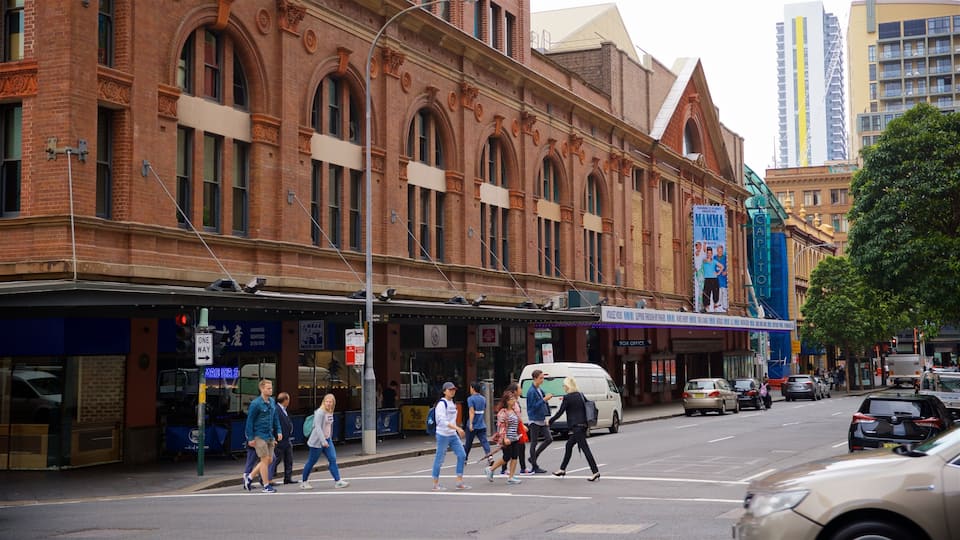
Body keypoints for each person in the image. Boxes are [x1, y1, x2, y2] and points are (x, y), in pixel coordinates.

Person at [549, 376, 600, 482]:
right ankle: (562, 469)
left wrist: (550, 421)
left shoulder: (568, 397)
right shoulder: (580, 395)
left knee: (585, 449)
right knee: (569, 445)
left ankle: (595, 471)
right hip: (583, 425)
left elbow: (560, 412)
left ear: (568, 386)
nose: (563, 387)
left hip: (576, 427)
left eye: (564, 385)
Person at [300, 393, 349, 489]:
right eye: (327, 401)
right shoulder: (320, 412)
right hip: (317, 441)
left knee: (332, 458)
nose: (328, 403)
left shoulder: (330, 412)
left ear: (333, 403)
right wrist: (323, 441)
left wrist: (329, 438)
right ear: (323, 402)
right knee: (311, 461)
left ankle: (338, 481)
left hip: (327, 439)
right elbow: (318, 427)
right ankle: (304, 481)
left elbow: (329, 426)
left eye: (330, 402)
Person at [244, 379, 283, 493]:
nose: (270, 390)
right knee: (265, 459)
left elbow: (275, 417)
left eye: (271, 388)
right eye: (268, 388)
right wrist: (250, 438)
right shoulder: (255, 404)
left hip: (269, 435)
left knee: (270, 459)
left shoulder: (272, 401)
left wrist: (279, 431)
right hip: (259, 435)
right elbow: (250, 421)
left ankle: (250, 477)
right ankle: (266, 485)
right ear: (261, 389)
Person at [431, 382, 469, 491]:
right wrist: (457, 428)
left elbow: (452, 420)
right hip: (443, 434)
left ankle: (459, 481)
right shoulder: (441, 404)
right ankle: (435, 484)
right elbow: (442, 421)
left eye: (453, 390)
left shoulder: (452, 403)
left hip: (452, 434)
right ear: (444, 391)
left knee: (462, 455)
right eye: (450, 390)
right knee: (439, 459)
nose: (452, 392)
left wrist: (456, 428)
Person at [484, 391, 522, 485]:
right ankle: (491, 469)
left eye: (514, 398)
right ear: (507, 401)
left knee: (515, 457)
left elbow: (518, 421)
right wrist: (505, 438)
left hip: (515, 437)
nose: (514, 400)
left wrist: (522, 427)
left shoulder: (514, 410)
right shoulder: (503, 413)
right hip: (507, 439)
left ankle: (511, 477)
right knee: (506, 457)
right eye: (511, 399)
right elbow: (501, 427)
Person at [525, 369, 553, 474]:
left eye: (543, 378)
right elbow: (532, 407)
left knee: (549, 439)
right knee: (534, 442)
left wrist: (546, 416)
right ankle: (534, 466)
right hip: (534, 419)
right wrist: (544, 399)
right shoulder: (531, 391)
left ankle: (533, 457)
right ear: (535, 378)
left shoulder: (539, 389)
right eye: (541, 378)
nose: (542, 380)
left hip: (541, 418)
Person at [500, 382, 528, 474]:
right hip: (510, 430)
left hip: (516, 428)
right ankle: (500, 469)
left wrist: (522, 425)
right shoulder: (511, 404)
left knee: (518, 449)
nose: (521, 390)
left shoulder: (516, 402)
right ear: (515, 391)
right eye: (519, 388)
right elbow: (513, 417)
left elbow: (517, 416)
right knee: (508, 452)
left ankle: (521, 468)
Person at [268, 392, 295, 485]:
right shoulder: (276, 409)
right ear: (285, 400)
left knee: (289, 458)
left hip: (286, 438)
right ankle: (268, 476)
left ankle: (288, 478)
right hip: (279, 439)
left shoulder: (284, 409)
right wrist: (274, 437)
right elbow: (274, 423)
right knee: (276, 458)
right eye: (288, 399)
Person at [463, 382, 491, 465]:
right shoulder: (483, 398)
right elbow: (484, 408)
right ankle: (489, 456)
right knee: (484, 441)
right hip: (481, 423)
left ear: (473, 388)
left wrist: (471, 423)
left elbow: (471, 411)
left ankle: (464, 458)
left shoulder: (470, 399)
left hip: (473, 424)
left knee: (468, 442)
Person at [700, 246, 722, 312]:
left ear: (712, 254)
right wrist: (709, 259)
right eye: (708, 253)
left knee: (715, 293)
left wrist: (718, 273)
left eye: (710, 253)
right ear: (706, 253)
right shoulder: (704, 260)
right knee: (706, 293)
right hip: (707, 279)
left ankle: (715, 306)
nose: (709, 254)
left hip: (714, 279)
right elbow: (706, 261)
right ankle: (707, 307)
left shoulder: (714, 261)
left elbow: (722, 266)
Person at [693, 241, 705, 312]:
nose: (697, 247)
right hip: (696, 274)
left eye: (698, 246)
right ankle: (697, 306)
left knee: (701, 289)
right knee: (697, 289)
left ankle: (700, 306)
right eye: (696, 246)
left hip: (701, 273)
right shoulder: (694, 254)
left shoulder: (702, 254)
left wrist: (704, 245)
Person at [716, 244, 728, 312]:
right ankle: (718, 304)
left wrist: (726, 271)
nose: (719, 252)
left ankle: (725, 306)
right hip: (717, 278)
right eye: (718, 251)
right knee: (718, 291)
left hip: (723, 278)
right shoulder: (714, 258)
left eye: (721, 251)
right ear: (717, 251)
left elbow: (728, 266)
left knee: (724, 292)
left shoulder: (725, 258)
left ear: (722, 251)